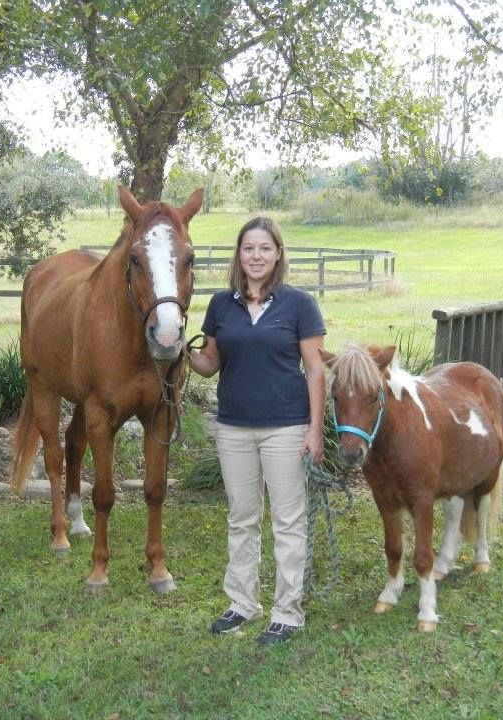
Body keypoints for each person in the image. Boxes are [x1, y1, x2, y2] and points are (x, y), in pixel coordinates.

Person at [188, 217, 326, 646]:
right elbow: (210, 364)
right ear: (239, 254)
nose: (256, 256)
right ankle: (242, 603)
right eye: (249, 248)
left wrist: (315, 429)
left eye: (265, 248)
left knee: (288, 521)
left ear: (278, 254)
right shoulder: (221, 304)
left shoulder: (299, 304)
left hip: (286, 427)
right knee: (241, 518)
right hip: (233, 428)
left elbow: (315, 369)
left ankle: (287, 612)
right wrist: (181, 353)